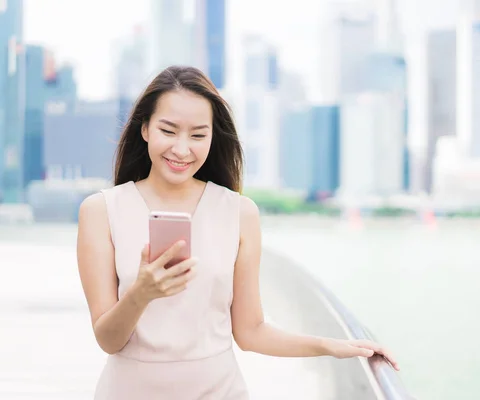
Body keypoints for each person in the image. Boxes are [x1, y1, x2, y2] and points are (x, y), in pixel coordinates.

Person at [76, 65, 399, 400]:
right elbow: (108, 339)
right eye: (168, 131)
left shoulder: (239, 212)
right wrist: (140, 294)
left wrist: (330, 346)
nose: (182, 149)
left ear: (213, 137)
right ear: (144, 128)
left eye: (198, 135)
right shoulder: (101, 211)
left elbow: (250, 331)